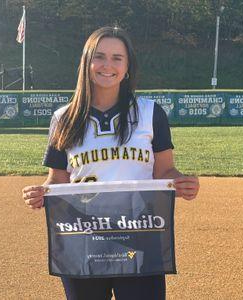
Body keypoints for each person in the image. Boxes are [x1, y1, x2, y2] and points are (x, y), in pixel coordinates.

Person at [22, 26, 199, 300]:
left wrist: (183, 181)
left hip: (141, 233)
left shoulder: (150, 113)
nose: (108, 65)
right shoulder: (64, 118)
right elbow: (57, 180)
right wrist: (41, 193)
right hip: (83, 238)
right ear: (87, 62)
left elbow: (164, 171)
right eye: (100, 56)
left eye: (118, 58)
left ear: (127, 67)